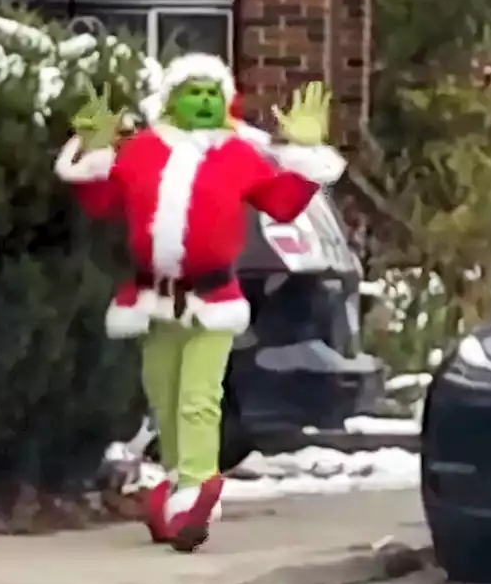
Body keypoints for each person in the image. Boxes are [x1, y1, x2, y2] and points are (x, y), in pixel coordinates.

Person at [53, 52, 344, 552]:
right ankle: (174, 488)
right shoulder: (143, 151)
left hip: (214, 298)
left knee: (198, 400)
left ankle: (195, 490)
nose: (206, 101)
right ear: (171, 101)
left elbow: (282, 203)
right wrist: (94, 150)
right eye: (195, 92)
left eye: (214, 93)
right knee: (163, 395)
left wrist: (305, 153)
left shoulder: (238, 155)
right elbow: (100, 203)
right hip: (154, 299)